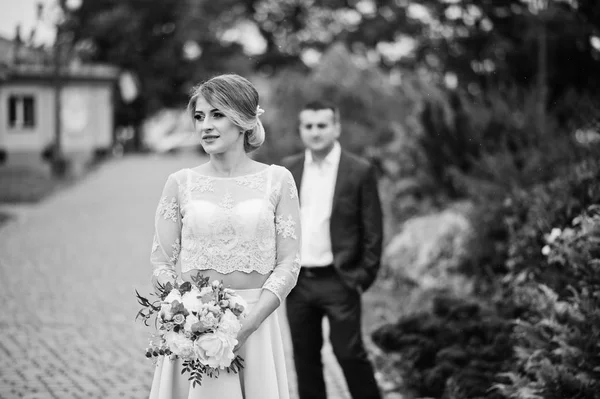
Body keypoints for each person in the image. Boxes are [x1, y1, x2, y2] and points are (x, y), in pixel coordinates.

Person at [148, 74, 301, 399]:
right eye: (200, 116)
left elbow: (289, 261)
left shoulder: (278, 180)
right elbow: (161, 261)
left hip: (255, 326)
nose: (206, 125)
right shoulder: (180, 183)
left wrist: (250, 322)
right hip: (193, 326)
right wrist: (180, 307)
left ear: (244, 120)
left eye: (217, 114)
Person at [281, 100, 383, 399]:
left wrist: (362, 276)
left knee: (349, 354)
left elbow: (373, 230)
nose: (315, 132)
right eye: (308, 126)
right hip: (299, 281)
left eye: (322, 125)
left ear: (336, 128)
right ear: (301, 130)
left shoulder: (359, 170)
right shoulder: (289, 168)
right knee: (305, 358)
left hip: (340, 278)